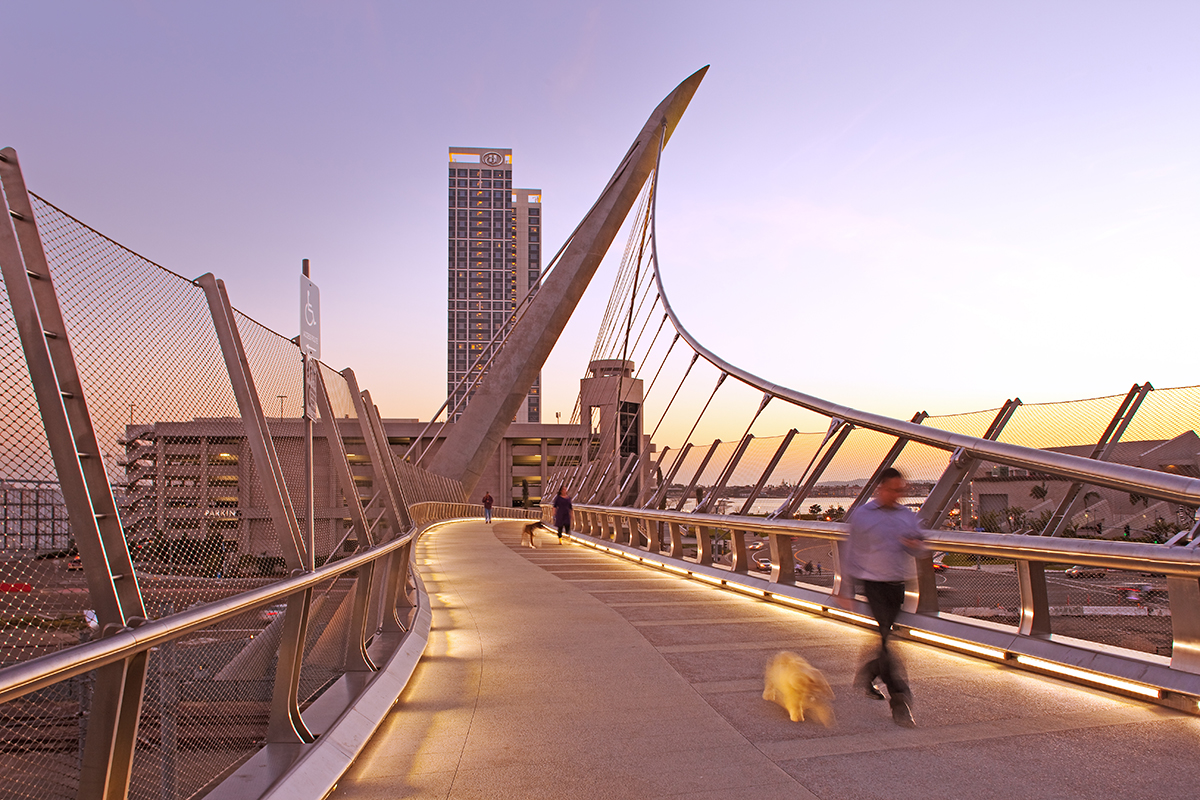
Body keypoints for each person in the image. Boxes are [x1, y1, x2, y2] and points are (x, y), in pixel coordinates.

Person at [845, 467, 925, 728]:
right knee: (886, 640)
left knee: (885, 637)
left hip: (897, 584)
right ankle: (900, 700)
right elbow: (851, 551)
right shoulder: (863, 515)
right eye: (892, 489)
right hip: (873, 584)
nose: (896, 494)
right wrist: (845, 588)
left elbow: (921, 547)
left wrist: (915, 546)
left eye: (900, 490)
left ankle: (870, 671)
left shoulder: (907, 515)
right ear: (880, 488)